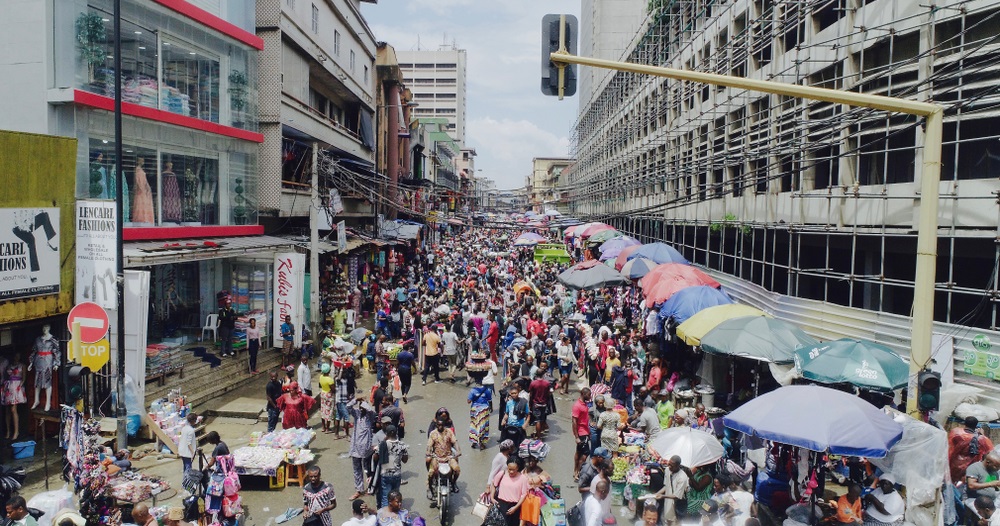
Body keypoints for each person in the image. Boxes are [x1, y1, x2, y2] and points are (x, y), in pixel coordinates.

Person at [950, 416, 995, 483]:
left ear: (965, 424)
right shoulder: (982, 439)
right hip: (970, 468)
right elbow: (990, 451)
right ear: (976, 425)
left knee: (952, 485)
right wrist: (982, 435)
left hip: (954, 466)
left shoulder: (955, 433)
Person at [426, 416, 461, 501]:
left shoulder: (449, 432)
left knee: (457, 470)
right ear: (436, 425)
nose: (440, 427)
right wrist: (428, 452)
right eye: (438, 425)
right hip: (436, 457)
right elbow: (429, 446)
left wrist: (458, 450)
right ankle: (430, 489)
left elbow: (455, 442)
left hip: (448, 457)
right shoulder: (433, 433)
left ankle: (453, 483)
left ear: (444, 425)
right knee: (431, 473)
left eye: (441, 425)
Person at [348, 397, 377, 500]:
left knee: (368, 469)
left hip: (366, 449)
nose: (361, 408)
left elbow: (371, 410)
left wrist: (364, 403)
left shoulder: (370, 416)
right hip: (355, 448)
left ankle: (371, 487)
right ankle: (359, 490)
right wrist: (356, 400)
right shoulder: (356, 414)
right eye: (360, 406)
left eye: (362, 406)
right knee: (357, 470)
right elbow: (348, 406)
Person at [374, 425, 408, 510]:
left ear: (387, 433)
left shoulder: (383, 444)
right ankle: (395, 514)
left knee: (386, 497)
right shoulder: (402, 444)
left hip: (385, 474)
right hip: (397, 474)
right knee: (395, 496)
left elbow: (375, 458)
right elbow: (405, 460)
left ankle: (385, 517)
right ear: (396, 433)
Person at [492, 457, 530, 526]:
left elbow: (524, 494)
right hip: (501, 505)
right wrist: (492, 498)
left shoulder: (523, 478)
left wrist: (515, 507)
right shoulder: (502, 474)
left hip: (515, 507)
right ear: (507, 467)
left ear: (518, 468)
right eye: (509, 469)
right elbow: (494, 485)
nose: (511, 472)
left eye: (514, 470)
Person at [653, 455, 689, 526]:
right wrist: (656, 494)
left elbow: (677, 496)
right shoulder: (667, 470)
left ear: (678, 466)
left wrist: (662, 496)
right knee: (668, 521)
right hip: (668, 504)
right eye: (669, 464)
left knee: (675, 523)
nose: (669, 466)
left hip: (677, 505)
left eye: (672, 466)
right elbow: (667, 486)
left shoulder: (682, 477)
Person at [572, 387, 592, 480]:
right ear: (583, 394)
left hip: (585, 431)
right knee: (585, 453)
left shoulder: (584, 404)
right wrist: (577, 437)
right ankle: (578, 471)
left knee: (579, 452)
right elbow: (574, 421)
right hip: (581, 433)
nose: (590, 396)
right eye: (589, 395)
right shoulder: (577, 406)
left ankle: (576, 471)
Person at [468, 380, 493, 449]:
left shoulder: (472, 390)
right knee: (483, 425)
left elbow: (468, 401)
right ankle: (481, 442)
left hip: (474, 410)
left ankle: (474, 441)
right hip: (484, 410)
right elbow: (490, 400)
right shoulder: (487, 390)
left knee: (474, 425)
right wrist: (491, 408)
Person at [318, 363, 335, 434]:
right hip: (328, 395)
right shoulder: (330, 380)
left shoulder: (321, 377)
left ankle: (323, 427)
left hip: (323, 393)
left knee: (323, 410)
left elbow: (320, 385)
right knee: (329, 411)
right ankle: (328, 428)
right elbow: (333, 389)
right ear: (328, 371)